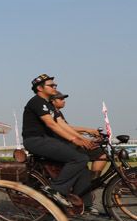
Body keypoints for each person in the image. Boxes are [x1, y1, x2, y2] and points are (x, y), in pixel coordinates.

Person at [22, 74, 95, 211]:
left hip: (47, 140)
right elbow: (52, 125)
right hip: (36, 140)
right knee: (79, 158)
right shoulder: (36, 101)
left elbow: (62, 124)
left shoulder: (48, 104)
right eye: (51, 85)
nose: (55, 87)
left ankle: (84, 204)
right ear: (39, 88)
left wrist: (83, 139)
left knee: (83, 163)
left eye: (55, 85)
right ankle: (55, 190)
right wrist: (75, 139)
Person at [50, 92, 106, 212]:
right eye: (61, 98)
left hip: (69, 143)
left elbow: (68, 128)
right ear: (53, 101)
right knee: (100, 153)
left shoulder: (58, 113)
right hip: (63, 145)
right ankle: (91, 182)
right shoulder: (51, 112)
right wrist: (87, 131)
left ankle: (89, 185)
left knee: (100, 153)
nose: (64, 100)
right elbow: (65, 128)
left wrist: (87, 135)